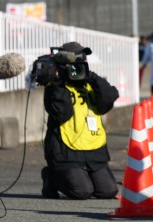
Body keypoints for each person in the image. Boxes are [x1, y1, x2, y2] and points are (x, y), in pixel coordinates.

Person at [41, 42, 120, 200]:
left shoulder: (90, 84)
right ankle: (51, 176)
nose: (80, 64)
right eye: (76, 61)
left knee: (108, 191)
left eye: (83, 61)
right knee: (82, 192)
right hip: (66, 151)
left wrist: (92, 77)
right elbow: (62, 114)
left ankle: (83, 177)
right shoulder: (55, 87)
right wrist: (59, 82)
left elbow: (108, 101)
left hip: (93, 150)